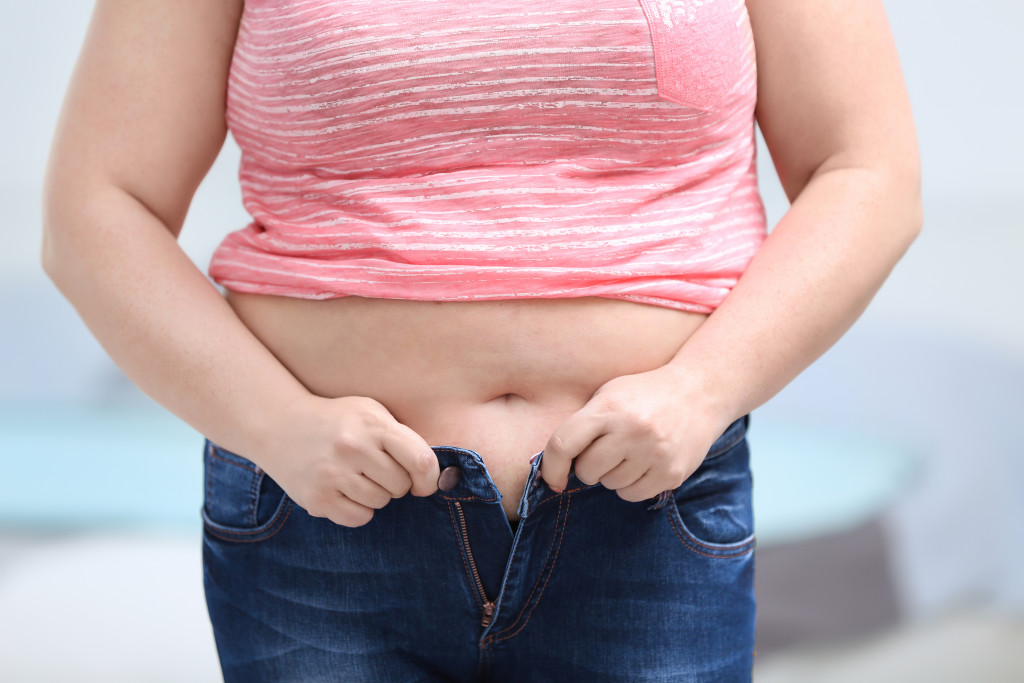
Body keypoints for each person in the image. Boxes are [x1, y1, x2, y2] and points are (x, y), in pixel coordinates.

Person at [41, 0, 921, 680]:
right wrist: (275, 426)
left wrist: (704, 390)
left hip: (650, 521)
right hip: (323, 531)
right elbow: (97, 207)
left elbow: (868, 169)